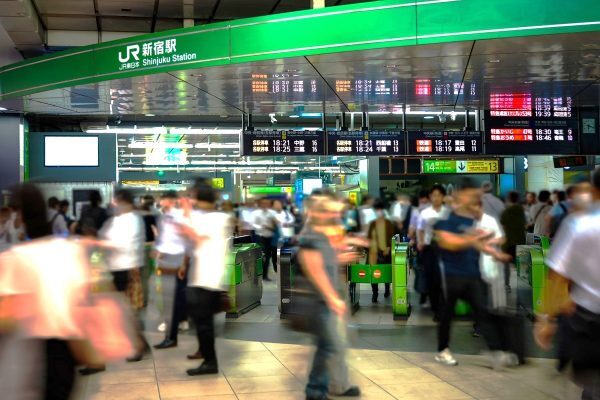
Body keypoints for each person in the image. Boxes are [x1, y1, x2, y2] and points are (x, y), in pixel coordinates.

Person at [535, 168, 600, 400]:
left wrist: (547, 319)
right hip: (586, 317)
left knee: (592, 382)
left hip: (588, 317)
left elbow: (557, 274)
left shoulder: (578, 224)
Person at [433, 179, 508, 367]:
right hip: (450, 275)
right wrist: (472, 237)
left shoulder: (474, 220)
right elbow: (448, 242)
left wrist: (495, 253)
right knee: (447, 314)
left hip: (472, 274)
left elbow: (478, 244)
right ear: (460, 195)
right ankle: (443, 350)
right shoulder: (445, 219)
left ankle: (496, 352)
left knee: (483, 311)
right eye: (472, 195)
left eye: (477, 195)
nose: (475, 199)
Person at [297, 191, 361, 400]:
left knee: (329, 345)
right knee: (328, 346)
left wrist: (341, 257)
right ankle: (315, 391)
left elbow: (326, 261)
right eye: (328, 211)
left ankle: (328, 387)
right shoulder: (311, 236)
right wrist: (332, 297)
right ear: (316, 211)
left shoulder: (321, 233)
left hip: (327, 298)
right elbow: (314, 269)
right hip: (320, 300)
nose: (333, 215)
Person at [177, 178, 232, 376]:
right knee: (201, 321)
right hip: (201, 276)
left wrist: (185, 214)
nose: (190, 199)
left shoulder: (217, 218)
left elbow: (196, 237)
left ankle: (210, 362)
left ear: (199, 198)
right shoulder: (210, 217)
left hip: (208, 278)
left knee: (204, 323)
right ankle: (207, 358)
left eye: (192, 196)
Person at [99, 189, 149, 362]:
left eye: (116, 202)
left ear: (124, 202)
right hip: (117, 268)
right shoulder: (115, 220)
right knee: (124, 309)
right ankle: (138, 342)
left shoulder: (134, 220)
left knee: (129, 309)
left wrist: (103, 244)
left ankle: (138, 345)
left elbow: (123, 245)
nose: (114, 205)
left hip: (129, 268)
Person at [153, 191, 188, 349]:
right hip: (166, 261)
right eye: (161, 198)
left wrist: (183, 263)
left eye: (165, 198)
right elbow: (163, 239)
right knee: (170, 298)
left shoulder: (180, 216)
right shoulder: (162, 217)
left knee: (176, 299)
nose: (162, 201)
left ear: (173, 201)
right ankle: (174, 329)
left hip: (179, 261)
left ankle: (173, 333)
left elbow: (186, 241)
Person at [417, 185, 449, 317]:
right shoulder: (425, 213)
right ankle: (436, 309)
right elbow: (420, 229)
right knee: (432, 279)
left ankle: (443, 308)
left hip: (445, 248)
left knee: (444, 279)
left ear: (443, 197)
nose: (436, 198)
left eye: (439, 195)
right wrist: (420, 242)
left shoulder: (448, 212)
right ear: (430, 197)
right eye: (433, 195)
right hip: (429, 249)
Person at [368, 200, 396, 303]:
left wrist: (388, 247)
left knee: (385, 272)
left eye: (380, 210)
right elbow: (369, 237)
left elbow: (392, 236)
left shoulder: (389, 223)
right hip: (374, 253)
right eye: (376, 210)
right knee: (373, 273)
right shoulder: (372, 223)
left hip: (385, 252)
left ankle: (387, 289)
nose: (378, 212)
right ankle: (374, 293)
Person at [500, 191, 527, 293]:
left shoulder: (506, 212)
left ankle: (506, 285)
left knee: (506, 265)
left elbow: (502, 226)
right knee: (521, 265)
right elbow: (524, 224)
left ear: (508, 199)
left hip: (508, 242)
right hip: (520, 240)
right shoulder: (521, 211)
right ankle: (524, 286)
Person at [252, 198, 279, 281]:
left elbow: (277, 223)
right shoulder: (255, 213)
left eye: (267, 203)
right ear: (260, 204)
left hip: (270, 237)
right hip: (260, 236)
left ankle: (264, 275)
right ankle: (258, 275)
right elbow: (252, 224)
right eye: (263, 203)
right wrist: (262, 226)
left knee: (268, 257)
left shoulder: (272, 213)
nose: (265, 205)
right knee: (262, 256)